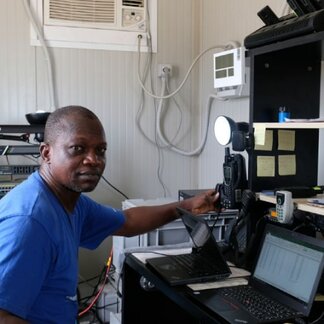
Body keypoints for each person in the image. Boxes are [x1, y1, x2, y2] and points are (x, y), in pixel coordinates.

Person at [0, 105, 218, 323]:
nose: (93, 160)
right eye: (78, 148)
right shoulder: (29, 223)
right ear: (46, 153)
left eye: (100, 150)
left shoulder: (69, 202)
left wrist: (188, 205)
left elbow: (128, 221)